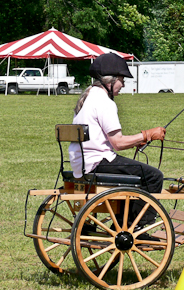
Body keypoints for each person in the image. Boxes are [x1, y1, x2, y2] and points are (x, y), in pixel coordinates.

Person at [69, 52, 166, 228]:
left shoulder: (86, 100)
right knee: (153, 176)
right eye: (122, 80)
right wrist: (147, 135)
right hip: (99, 162)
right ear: (110, 80)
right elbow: (118, 143)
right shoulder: (104, 102)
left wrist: (138, 140)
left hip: (80, 163)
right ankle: (132, 225)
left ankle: (123, 220)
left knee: (137, 171)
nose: (123, 85)